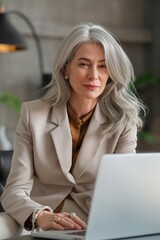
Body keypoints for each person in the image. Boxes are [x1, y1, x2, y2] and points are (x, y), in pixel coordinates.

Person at [1, 22, 145, 232]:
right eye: (84, 64)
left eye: (103, 66)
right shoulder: (33, 114)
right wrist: (40, 215)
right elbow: (14, 190)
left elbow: (123, 191)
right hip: (37, 218)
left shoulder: (124, 122)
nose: (93, 75)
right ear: (66, 68)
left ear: (111, 72)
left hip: (92, 222)